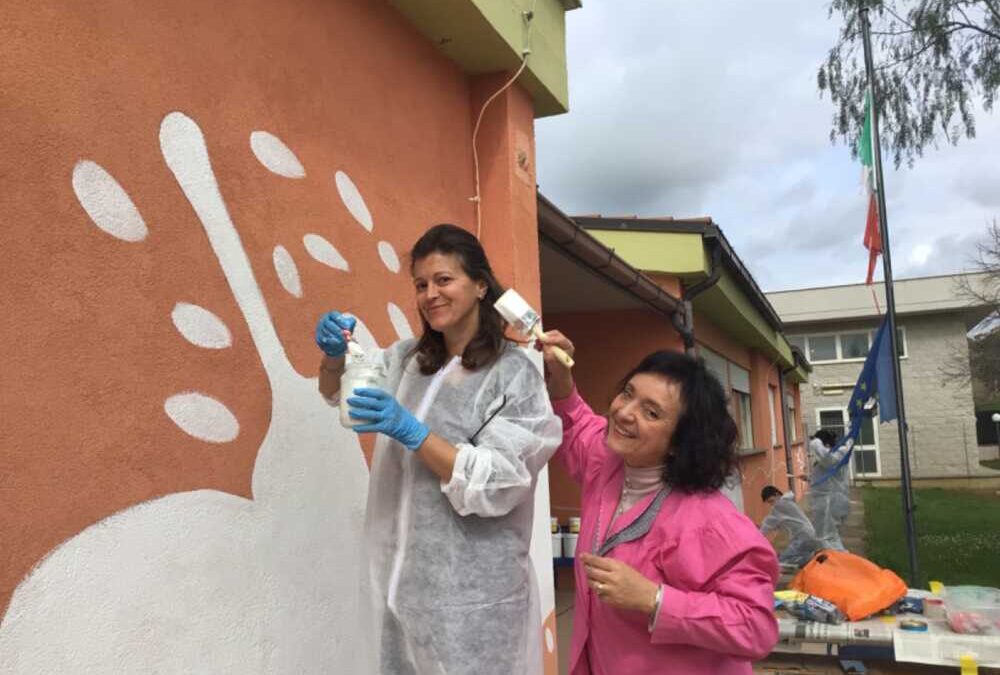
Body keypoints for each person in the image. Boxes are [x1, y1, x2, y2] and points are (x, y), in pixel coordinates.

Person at [315, 224, 561, 675]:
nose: (431, 294)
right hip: (398, 586)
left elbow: (499, 481)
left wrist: (412, 431)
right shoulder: (410, 360)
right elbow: (336, 392)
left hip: (472, 600)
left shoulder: (514, 375)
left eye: (444, 280)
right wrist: (335, 356)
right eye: (421, 284)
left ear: (481, 285)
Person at [539, 333, 779, 675]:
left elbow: (755, 626)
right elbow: (580, 429)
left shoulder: (710, 521)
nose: (624, 413)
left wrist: (654, 599)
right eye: (627, 394)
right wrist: (561, 381)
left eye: (651, 413)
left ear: (680, 443)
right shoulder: (609, 464)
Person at [807, 429, 852, 551]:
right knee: (829, 537)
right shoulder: (832, 455)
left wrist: (815, 442)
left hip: (831, 501)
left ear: (825, 444)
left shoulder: (838, 454)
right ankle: (835, 563)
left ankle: (840, 563)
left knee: (827, 538)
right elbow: (825, 475)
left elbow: (828, 461)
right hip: (827, 501)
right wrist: (808, 478)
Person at [759, 485, 820, 568]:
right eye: (769, 503)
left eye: (771, 501)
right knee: (796, 555)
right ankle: (814, 558)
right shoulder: (787, 502)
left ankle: (814, 559)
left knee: (782, 561)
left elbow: (768, 524)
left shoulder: (780, 505)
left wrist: (757, 535)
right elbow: (779, 523)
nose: (772, 504)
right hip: (808, 535)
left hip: (803, 537)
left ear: (777, 494)